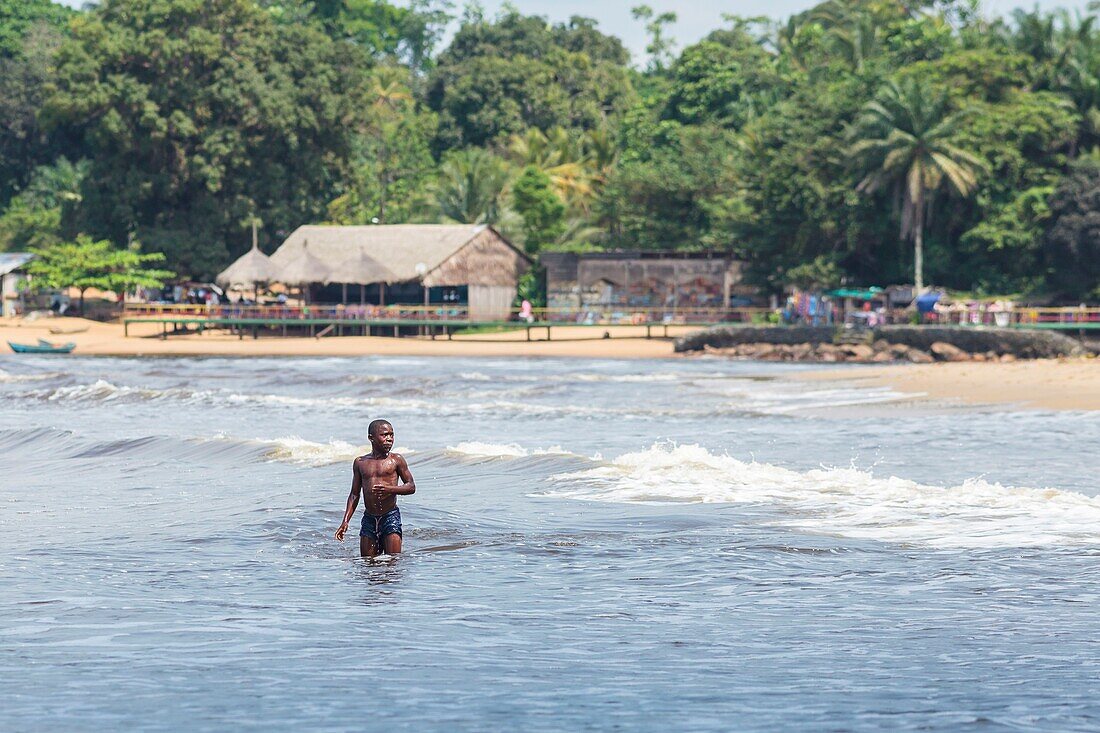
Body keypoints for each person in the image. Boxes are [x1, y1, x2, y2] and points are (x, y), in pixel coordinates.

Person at [335, 419, 416, 558]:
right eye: (384, 435)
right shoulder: (360, 463)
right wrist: (345, 521)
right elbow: (354, 495)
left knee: (393, 563)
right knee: (367, 563)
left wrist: (389, 489)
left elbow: (411, 486)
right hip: (369, 518)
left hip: (390, 516)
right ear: (371, 438)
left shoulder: (396, 460)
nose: (389, 439)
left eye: (392, 435)